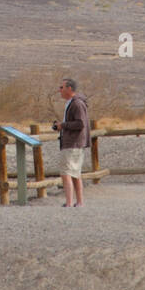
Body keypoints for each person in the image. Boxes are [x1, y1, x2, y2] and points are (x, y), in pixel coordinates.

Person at [52, 78, 89, 207]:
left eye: (61, 87)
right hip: (73, 143)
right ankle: (78, 202)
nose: (59, 90)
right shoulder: (71, 103)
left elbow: (80, 123)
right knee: (75, 173)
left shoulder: (76, 104)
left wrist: (63, 125)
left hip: (73, 143)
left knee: (66, 172)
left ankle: (69, 202)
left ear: (69, 88)